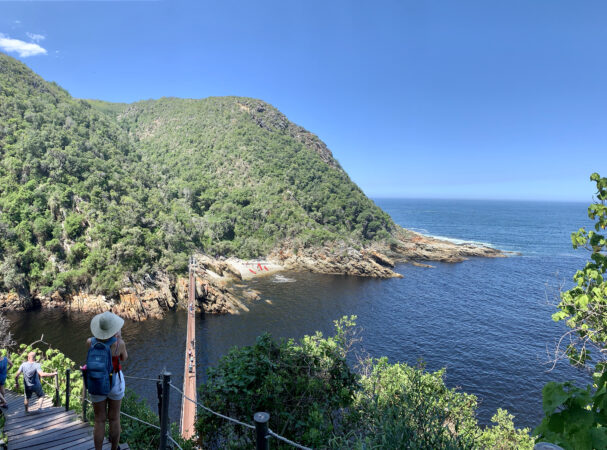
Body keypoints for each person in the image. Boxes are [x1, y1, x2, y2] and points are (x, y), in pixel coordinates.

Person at [88, 311, 128, 450]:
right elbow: (124, 358)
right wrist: (119, 337)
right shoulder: (119, 344)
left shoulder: (90, 342)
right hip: (115, 381)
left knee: (99, 419)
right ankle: (114, 448)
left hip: (96, 381)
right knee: (114, 418)